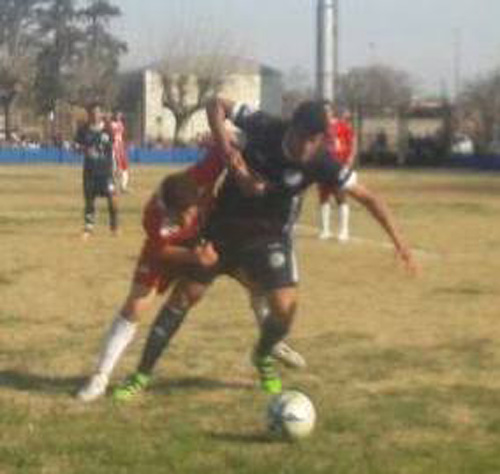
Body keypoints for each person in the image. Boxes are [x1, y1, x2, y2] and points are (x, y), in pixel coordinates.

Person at [111, 97, 418, 401]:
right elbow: (215, 103)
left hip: (269, 238)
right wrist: (228, 150)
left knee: (285, 309)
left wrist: (400, 243)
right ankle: (141, 375)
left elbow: (368, 197)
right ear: (292, 128)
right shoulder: (264, 125)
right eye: (304, 138)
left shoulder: (321, 161)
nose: (308, 147)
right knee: (184, 296)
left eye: (316, 141)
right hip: (222, 227)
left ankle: (262, 355)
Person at [76, 145, 305, 402]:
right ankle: (101, 376)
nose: (186, 221)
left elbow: (225, 147)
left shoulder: (204, 173)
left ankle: (268, 347)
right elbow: (160, 251)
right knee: (136, 306)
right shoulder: (154, 217)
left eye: (190, 213)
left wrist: (238, 156)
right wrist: (194, 257)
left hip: (217, 240)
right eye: (179, 218)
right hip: (172, 252)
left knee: (262, 288)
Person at [75, 103, 119, 239]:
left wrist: (116, 167)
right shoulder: (83, 130)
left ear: (101, 114)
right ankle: (88, 227)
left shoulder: (107, 129)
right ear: (89, 114)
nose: (95, 115)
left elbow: (113, 148)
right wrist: (82, 149)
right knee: (89, 200)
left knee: (112, 198)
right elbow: (76, 146)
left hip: (106, 171)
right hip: (89, 171)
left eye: (97, 112)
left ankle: (114, 226)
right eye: (92, 113)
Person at [318, 105, 357, 241]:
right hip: (323, 165)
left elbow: (352, 141)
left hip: (338, 164)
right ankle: (325, 230)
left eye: (327, 110)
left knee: (340, 196)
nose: (325, 113)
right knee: (323, 197)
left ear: (332, 112)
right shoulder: (320, 128)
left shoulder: (341, 125)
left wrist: (350, 159)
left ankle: (344, 230)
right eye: (323, 111)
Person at [109, 111, 130, 192]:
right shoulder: (112, 124)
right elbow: (112, 134)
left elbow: (122, 135)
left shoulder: (121, 123)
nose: (119, 115)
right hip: (114, 147)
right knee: (114, 168)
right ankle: (112, 186)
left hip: (120, 147)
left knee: (124, 167)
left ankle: (123, 186)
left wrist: (124, 144)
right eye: (118, 114)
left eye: (120, 114)